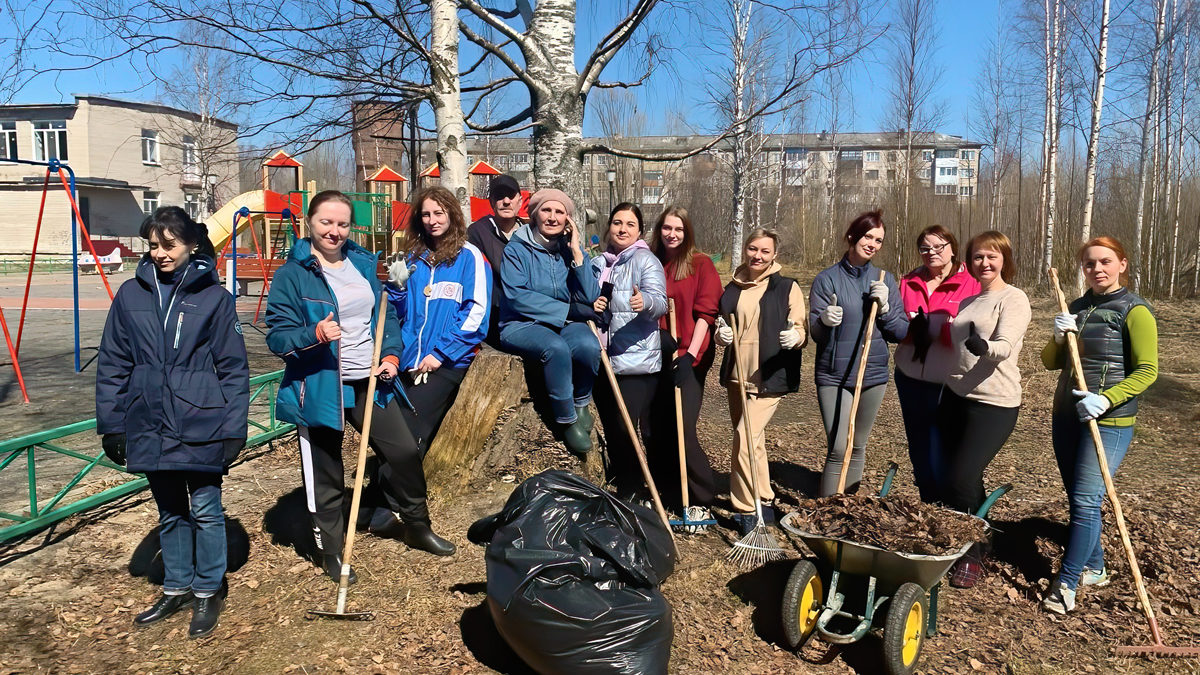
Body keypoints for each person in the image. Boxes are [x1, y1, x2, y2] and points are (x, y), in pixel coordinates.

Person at [266, 190, 455, 579]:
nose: (334, 231)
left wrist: (389, 355)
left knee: (403, 450)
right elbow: (277, 336)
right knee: (326, 470)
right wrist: (313, 333)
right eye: (326, 222)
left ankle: (417, 526)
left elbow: (386, 318)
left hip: (368, 379)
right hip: (320, 384)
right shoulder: (293, 274)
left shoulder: (364, 263)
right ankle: (331, 550)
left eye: (342, 224)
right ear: (310, 223)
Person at [96, 206, 249, 638]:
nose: (160, 253)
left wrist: (234, 428)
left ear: (192, 244)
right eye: (153, 245)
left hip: (200, 420)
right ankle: (177, 586)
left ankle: (207, 591)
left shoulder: (214, 298)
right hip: (148, 419)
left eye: (169, 244)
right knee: (169, 511)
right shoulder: (131, 294)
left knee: (204, 508)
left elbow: (234, 369)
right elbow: (113, 363)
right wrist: (113, 424)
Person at [363, 186, 490, 540]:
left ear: (452, 215)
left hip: (446, 362)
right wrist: (399, 290)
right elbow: (400, 315)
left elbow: (476, 314)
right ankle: (377, 502)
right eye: (426, 214)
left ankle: (387, 507)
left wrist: (442, 353)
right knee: (388, 432)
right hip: (406, 362)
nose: (432, 221)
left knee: (407, 433)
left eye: (439, 213)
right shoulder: (414, 259)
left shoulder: (470, 258)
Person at [1041, 237, 1157, 614]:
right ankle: (1095, 566)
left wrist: (1106, 398)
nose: (1097, 269)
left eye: (1105, 262)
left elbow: (1148, 371)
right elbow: (1050, 362)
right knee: (1079, 498)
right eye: (1090, 264)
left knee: (1087, 499)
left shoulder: (1135, 310)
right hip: (1067, 415)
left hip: (1109, 420)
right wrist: (1059, 337)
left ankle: (1067, 583)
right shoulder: (1076, 307)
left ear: (1122, 264)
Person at [937, 230, 1031, 588]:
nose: (985, 263)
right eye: (978, 257)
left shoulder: (1014, 298)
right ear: (969, 263)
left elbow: (1005, 346)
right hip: (955, 397)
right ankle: (976, 534)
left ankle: (972, 552)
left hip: (994, 403)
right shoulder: (968, 302)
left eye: (992, 256)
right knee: (958, 477)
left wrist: (985, 346)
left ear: (1005, 259)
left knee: (963, 475)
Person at [713, 229, 806, 535]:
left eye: (765, 251)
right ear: (745, 250)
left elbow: (800, 325)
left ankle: (745, 510)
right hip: (738, 374)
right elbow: (722, 321)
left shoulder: (785, 287)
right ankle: (764, 499)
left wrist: (796, 337)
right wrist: (720, 334)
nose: (758, 256)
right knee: (754, 442)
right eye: (753, 249)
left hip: (771, 375)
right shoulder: (733, 287)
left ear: (774, 255)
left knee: (743, 436)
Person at [809, 211, 908, 497]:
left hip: (873, 374)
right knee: (839, 446)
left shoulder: (884, 279)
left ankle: (846, 507)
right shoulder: (827, 280)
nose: (873, 244)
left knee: (858, 445)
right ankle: (827, 510)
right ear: (853, 236)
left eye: (879, 240)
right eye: (868, 236)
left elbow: (900, 332)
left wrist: (887, 310)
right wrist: (824, 320)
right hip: (834, 375)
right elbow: (816, 333)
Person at [497, 189, 601, 455]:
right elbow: (518, 296)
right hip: (521, 324)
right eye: (546, 210)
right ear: (534, 214)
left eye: (560, 212)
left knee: (589, 345)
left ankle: (581, 403)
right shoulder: (517, 249)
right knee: (556, 349)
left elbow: (590, 295)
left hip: (561, 322)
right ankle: (566, 419)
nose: (553, 217)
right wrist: (567, 310)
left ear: (568, 219)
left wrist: (578, 252)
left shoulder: (567, 250)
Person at [896, 225, 981, 503]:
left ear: (953, 248)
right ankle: (929, 504)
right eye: (924, 248)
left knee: (946, 448)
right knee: (918, 447)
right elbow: (894, 325)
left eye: (938, 247)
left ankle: (958, 507)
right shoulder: (908, 282)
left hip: (949, 381)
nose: (931, 253)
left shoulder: (971, 282)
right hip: (910, 376)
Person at [590, 202, 667, 501]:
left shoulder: (646, 261)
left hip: (636, 361)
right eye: (617, 222)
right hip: (602, 359)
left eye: (630, 224)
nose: (622, 229)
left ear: (639, 231)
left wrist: (644, 302)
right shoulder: (598, 264)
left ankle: (633, 493)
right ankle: (626, 487)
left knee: (626, 429)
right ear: (609, 226)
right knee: (612, 430)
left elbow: (661, 303)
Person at [648, 206, 721, 521]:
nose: (671, 234)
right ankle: (668, 493)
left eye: (678, 229)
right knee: (657, 426)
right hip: (659, 354)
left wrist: (690, 355)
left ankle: (703, 494)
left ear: (686, 232)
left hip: (692, 353)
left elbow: (707, 314)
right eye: (667, 228)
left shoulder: (701, 264)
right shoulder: (653, 262)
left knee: (683, 425)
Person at [467, 174, 522, 345]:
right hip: (493, 316)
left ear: (520, 201)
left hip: (527, 313)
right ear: (491, 202)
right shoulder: (478, 231)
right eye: (499, 196)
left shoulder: (529, 233)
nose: (506, 201)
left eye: (511, 196)